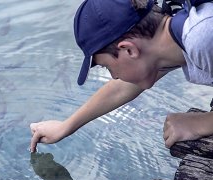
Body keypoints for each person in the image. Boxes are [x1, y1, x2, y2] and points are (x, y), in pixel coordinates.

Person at [29, 0, 213, 152]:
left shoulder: (202, 38)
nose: (115, 77)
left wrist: (201, 123)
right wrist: (65, 127)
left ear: (128, 50)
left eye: (108, 67)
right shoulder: (171, 39)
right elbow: (121, 89)